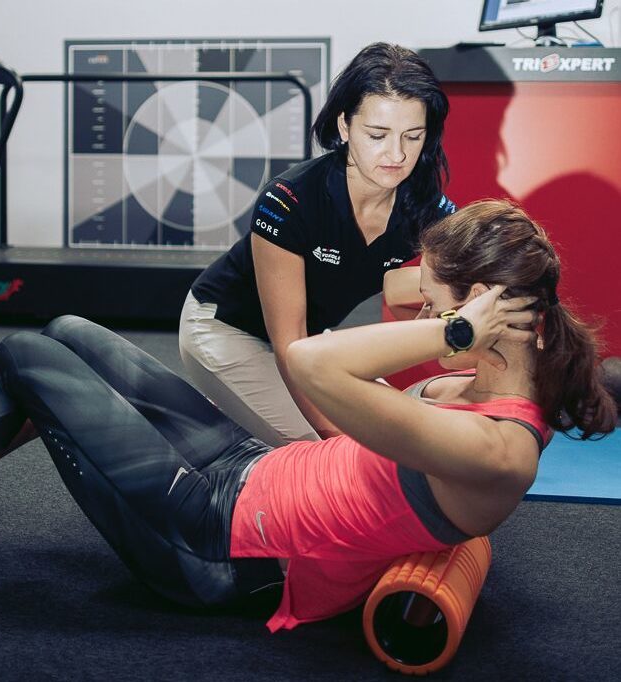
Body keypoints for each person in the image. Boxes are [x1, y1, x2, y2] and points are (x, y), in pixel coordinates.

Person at [0, 200, 616, 632]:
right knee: (69, 333)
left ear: (478, 313)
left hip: (214, 543)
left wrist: (452, 330)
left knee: (23, 358)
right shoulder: (478, 385)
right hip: (251, 473)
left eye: (436, 309)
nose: (425, 322)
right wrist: (455, 322)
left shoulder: (494, 446)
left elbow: (308, 361)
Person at [180, 42, 456, 447]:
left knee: (395, 432)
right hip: (227, 329)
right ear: (345, 127)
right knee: (344, 451)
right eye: (377, 135)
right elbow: (289, 345)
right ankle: (232, 418)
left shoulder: (425, 205)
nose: (396, 154)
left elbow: (442, 281)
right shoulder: (288, 200)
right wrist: (333, 441)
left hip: (309, 338)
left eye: (412, 136)